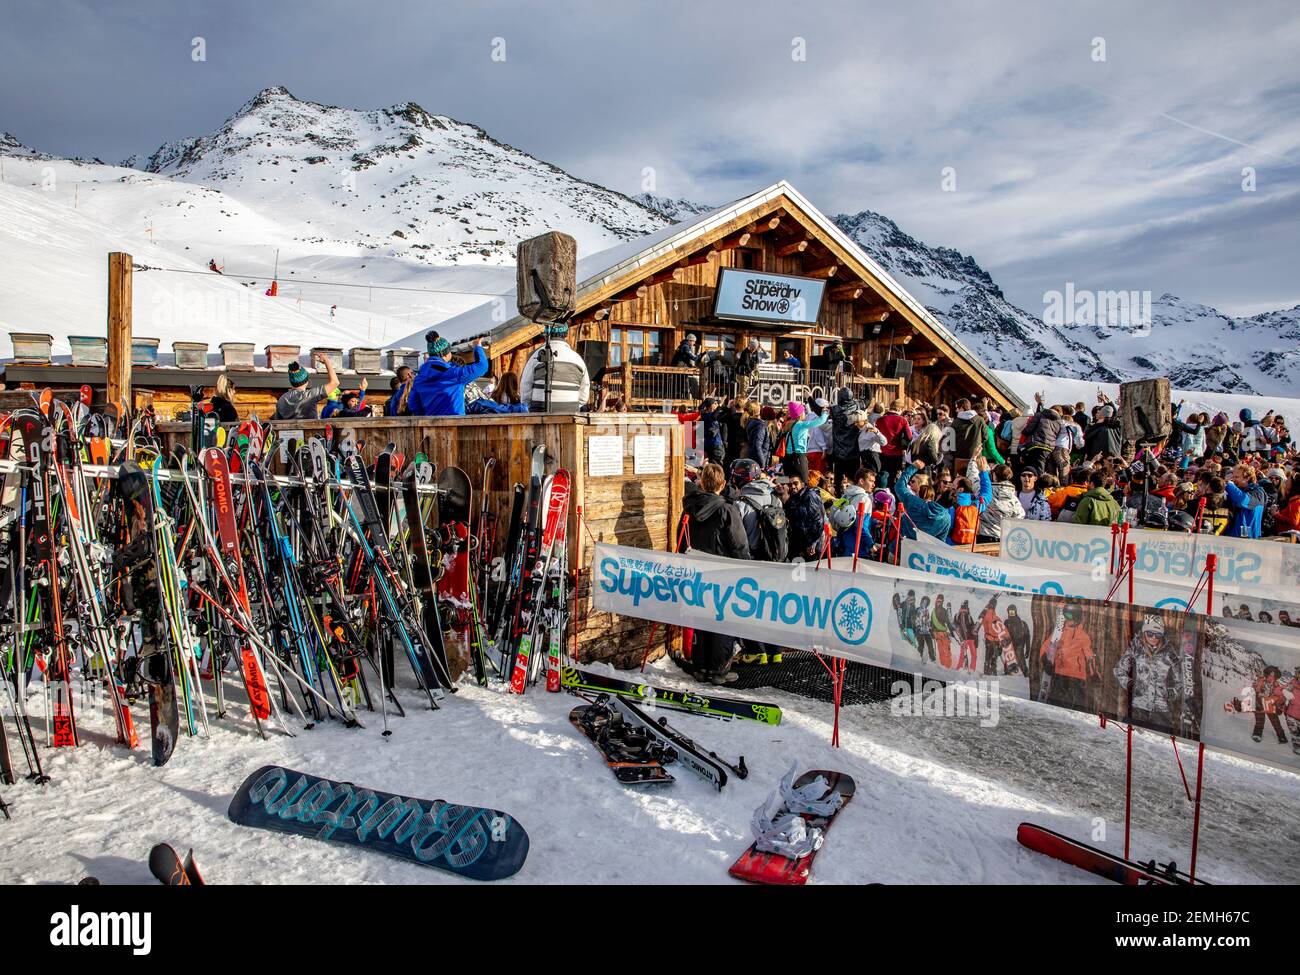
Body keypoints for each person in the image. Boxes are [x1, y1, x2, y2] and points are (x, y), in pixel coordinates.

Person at [680, 463, 749, 685]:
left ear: (702, 482)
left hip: (697, 571)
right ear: (722, 484)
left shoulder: (689, 508)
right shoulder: (727, 510)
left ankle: (701, 666)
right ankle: (718, 669)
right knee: (722, 620)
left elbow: (682, 538)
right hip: (723, 572)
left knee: (702, 616)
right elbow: (739, 545)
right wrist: (746, 568)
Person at [1113, 614, 1182, 734]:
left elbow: (1182, 681)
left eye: (1158, 634)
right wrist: (1130, 684)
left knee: (1161, 744)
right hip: (1138, 707)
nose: (1154, 637)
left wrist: (1172, 692)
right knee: (1130, 738)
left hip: (1161, 710)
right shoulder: (1136, 648)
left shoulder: (1169, 652)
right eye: (1150, 633)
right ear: (1144, 632)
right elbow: (1119, 670)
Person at [407, 332, 489, 417]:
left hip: (430, 426)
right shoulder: (453, 374)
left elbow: (413, 405)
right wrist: (477, 347)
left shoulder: (419, 377)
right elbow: (481, 366)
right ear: (446, 353)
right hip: (454, 425)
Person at [1038, 603, 1097, 711]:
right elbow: (1046, 646)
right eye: (1065, 616)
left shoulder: (1083, 636)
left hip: (1077, 677)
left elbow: (1089, 656)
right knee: (1056, 701)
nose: (1067, 619)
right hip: (1060, 673)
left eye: (1069, 617)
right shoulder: (1059, 633)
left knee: (1074, 704)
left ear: (1077, 618)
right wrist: (1045, 659)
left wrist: (1093, 674)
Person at [519, 324, 590, 413]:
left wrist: (530, 407)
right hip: (570, 413)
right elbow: (584, 391)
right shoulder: (578, 359)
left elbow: (526, 385)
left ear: (546, 334)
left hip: (539, 411)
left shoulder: (536, 355)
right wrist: (575, 406)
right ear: (566, 335)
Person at [893, 459, 952, 541]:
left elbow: (899, 487)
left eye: (913, 481)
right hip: (922, 552)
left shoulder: (915, 502)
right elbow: (940, 542)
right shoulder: (947, 519)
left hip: (900, 548)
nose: (910, 484)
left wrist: (913, 467)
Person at [275, 353, 339, 420]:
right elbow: (335, 382)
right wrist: (326, 360)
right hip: (311, 430)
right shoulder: (310, 395)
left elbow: (277, 421)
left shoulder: (281, 399)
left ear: (291, 382)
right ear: (306, 382)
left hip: (287, 430)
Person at [778, 401, 828, 482]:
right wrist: (825, 412)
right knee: (804, 481)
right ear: (800, 414)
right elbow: (820, 421)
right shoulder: (802, 425)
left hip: (787, 458)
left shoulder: (788, 425)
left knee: (787, 480)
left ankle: (776, 481)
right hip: (799, 457)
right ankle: (777, 481)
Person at [783, 472, 826, 561]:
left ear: (802, 484)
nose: (793, 486)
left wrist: (812, 544)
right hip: (800, 545)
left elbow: (819, 522)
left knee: (812, 573)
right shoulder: (792, 498)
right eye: (790, 484)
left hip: (813, 546)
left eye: (795, 483)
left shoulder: (810, 496)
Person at [977, 463, 1025, 543]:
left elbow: (973, 478)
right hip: (1002, 538)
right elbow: (1020, 515)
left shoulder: (986, 492)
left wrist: (975, 461)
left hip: (984, 535)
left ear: (994, 475)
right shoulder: (1013, 498)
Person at [950, 457, 993, 546]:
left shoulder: (950, 505)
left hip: (950, 545)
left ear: (960, 489)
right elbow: (987, 494)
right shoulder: (975, 506)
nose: (951, 487)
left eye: (953, 485)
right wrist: (983, 472)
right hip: (970, 547)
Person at [828, 387, 862, 492]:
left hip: (839, 453)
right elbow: (868, 400)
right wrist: (865, 384)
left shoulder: (834, 410)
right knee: (854, 480)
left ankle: (839, 498)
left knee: (838, 481)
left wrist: (810, 398)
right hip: (854, 452)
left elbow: (817, 410)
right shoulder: (858, 406)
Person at [875, 400, 912, 491]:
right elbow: (909, 436)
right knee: (894, 477)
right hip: (896, 452)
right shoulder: (902, 420)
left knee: (883, 475)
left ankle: (881, 495)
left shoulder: (880, 420)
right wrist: (903, 445)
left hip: (882, 451)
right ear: (899, 408)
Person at [1225, 464, 1266, 538]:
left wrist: (1229, 485)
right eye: (1233, 477)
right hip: (1233, 537)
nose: (1233, 479)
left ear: (1247, 478)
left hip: (1248, 539)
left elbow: (1242, 500)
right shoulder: (1236, 491)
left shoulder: (1258, 492)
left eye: (1237, 477)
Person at [743, 402, 772, 469]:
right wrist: (762, 463)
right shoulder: (760, 425)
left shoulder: (752, 422)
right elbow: (757, 446)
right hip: (758, 462)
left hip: (753, 459)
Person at [699, 398, 727, 465]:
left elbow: (700, 408)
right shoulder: (709, 415)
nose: (716, 404)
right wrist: (720, 405)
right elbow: (714, 416)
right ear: (711, 405)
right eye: (715, 403)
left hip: (707, 445)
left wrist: (706, 399)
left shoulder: (703, 414)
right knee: (717, 466)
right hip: (715, 445)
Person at [931, 595, 953, 669]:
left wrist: (951, 631)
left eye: (940, 601)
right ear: (936, 600)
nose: (939, 602)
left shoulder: (944, 611)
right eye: (938, 600)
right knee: (940, 651)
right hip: (937, 634)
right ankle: (943, 666)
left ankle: (948, 667)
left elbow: (948, 622)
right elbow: (932, 623)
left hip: (944, 633)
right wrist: (932, 633)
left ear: (942, 601)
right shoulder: (933, 611)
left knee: (947, 651)